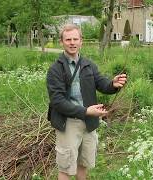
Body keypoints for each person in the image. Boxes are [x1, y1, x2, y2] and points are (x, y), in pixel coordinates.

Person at [46, 24, 127, 180]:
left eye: (75, 39)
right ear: (61, 42)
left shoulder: (88, 64)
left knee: (83, 164)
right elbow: (57, 101)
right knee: (66, 169)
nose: (72, 42)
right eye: (68, 39)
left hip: (89, 122)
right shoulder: (55, 70)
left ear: (81, 41)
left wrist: (113, 84)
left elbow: (102, 83)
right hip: (67, 123)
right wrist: (85, 111)